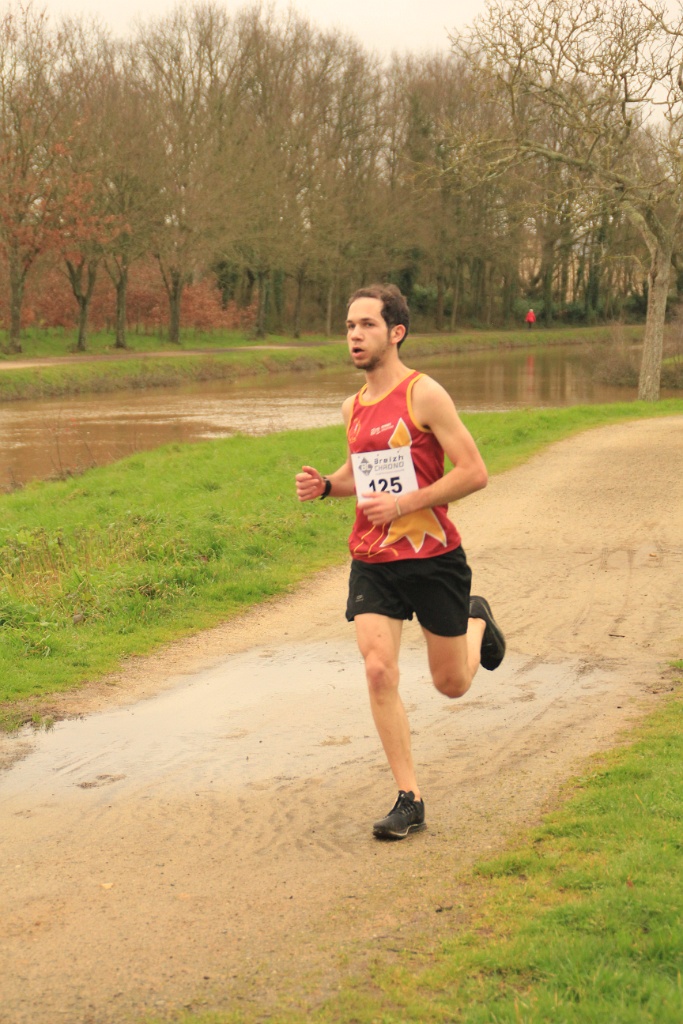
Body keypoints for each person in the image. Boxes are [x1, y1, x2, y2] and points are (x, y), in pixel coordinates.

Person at [295, 284, 505, 840]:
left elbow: (474, 472)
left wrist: (405, 504)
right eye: (349, 326)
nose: (355, 335)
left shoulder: (424, 394)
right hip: (372, 558)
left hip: (433, 558)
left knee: (452, 684)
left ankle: (476, 619)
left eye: (366, 325)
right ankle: (409, 798)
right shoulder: (352, 407)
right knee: (377, 669)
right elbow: (358, 475)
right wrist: (326, 486)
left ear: (396, 332)